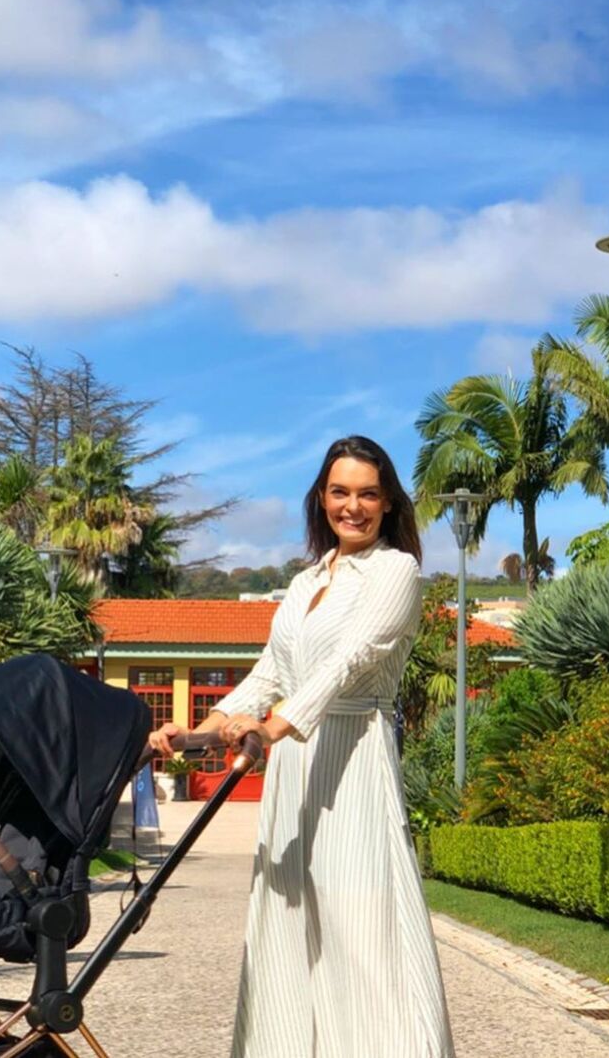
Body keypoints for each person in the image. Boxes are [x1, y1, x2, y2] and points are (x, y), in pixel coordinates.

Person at [149, 435, 454, 1057]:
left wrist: (275, 726)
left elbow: (350, 661)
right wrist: (204, 732)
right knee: (284, 923)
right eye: (340, 492)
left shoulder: (397, 571)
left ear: (389, 503)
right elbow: (270, 671)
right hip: (292, 767)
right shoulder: (302, 581)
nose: (354, 506)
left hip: (352, 762)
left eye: (369, 494)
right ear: (321, 498)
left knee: (359, 930)